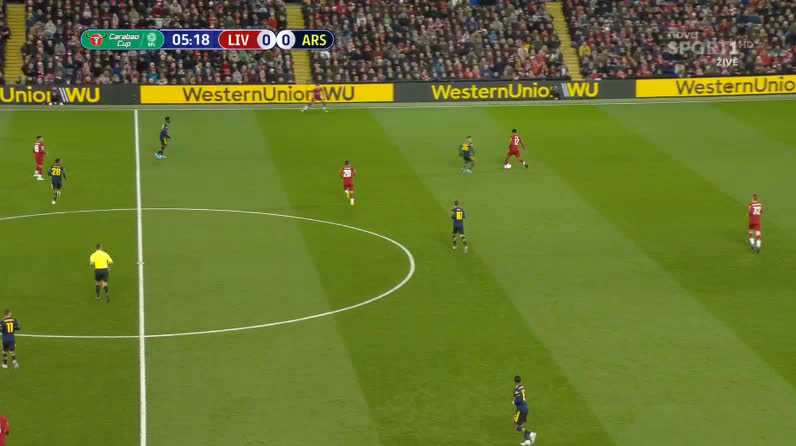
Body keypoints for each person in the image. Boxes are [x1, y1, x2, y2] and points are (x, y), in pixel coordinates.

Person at [513, 375, 536, 445]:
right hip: (525, 407)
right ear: (521, 380)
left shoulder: (516, 389)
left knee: (516, 426)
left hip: (521, 409)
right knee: (521, 425)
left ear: (515, 382)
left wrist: (514, 402)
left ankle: (531, 433)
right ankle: (527, 440)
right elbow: (524, 396)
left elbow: (519, 399)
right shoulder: (522, 387)